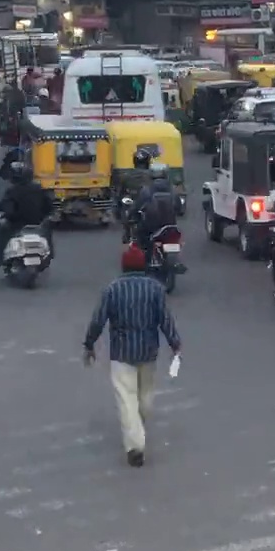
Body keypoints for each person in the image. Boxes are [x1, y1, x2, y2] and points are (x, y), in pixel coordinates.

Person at [84, 245, 182, 468]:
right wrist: (175, 344)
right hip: (148, 352)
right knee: (145, 397)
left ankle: (135, 446)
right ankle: (138, 430)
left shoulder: (113, 290)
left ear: (123, 266)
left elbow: (98, 320)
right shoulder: (155, 289)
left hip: (122, 353)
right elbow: (165, 320)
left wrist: (89, 344)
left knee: (126, 399)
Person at [0, 162, 54, 266]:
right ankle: (50, 254)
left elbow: (8, 209)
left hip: (17, 224)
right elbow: (49, 206)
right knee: (48, 229)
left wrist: (5, 215)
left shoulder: (12, 191)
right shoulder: (39, 188)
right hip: (38, 223)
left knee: (0, 227)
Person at [127, 166, 181, 256]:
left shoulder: (146, 191)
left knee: (140, 236)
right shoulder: (173, 190)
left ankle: (147, 254)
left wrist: (132, 216)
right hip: (170, 226)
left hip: (151, 227)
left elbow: (136, 207)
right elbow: (179, 208)